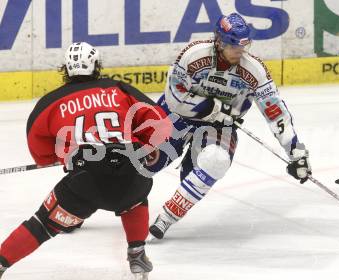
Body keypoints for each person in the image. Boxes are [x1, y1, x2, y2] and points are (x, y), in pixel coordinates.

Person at [0, 42, 172, 279]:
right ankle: (137, 253)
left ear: (66, 70)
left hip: (85, 181)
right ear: (97, 66)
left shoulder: (50, 102)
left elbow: (40, 152)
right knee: (134, 195)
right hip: (132, 171)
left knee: (42, 225)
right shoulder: (119, 89)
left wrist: (60, 156)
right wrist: (144, 143)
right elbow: (159, 121)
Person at [147, 13, 312, 240]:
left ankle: (167, 217)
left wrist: (295, 151)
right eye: (233, 45)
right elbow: (174, 96)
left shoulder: (254, 71)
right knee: (141, 163)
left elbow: (275, 112)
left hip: (219, 127)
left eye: (243, 46)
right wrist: (214, 108)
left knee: (216, 161)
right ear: (219, 41)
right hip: (177, 116)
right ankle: (82, 204)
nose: (239, 51)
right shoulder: (194, 55)